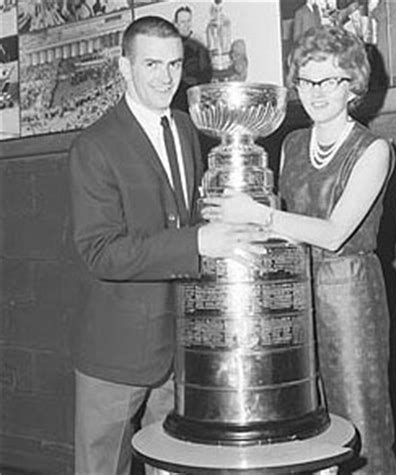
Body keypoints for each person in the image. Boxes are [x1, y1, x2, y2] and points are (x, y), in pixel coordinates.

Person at [69, 15, 261, 475]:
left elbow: (188, 215)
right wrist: (198, 241)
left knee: (176, 467)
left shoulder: (183, 127)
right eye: (151, 64)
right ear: (124, 67)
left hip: (178, 349)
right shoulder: (93, 146)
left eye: (173, 64)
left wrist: (235, 216)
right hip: (114, 354)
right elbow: (101, 252)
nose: (165, 77)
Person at [202, 26, 396, 474]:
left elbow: (333, 233)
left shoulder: (374, 150)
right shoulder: (291, 144)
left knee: (361, 426)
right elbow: (285, 231)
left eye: (329, 80)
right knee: (304, 421)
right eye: (307, 81)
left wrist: (255, 213)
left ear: (353, 85)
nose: (316, 92)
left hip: (349, 294)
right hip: (293, 292)